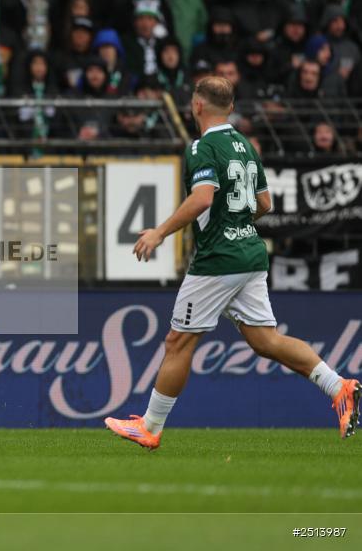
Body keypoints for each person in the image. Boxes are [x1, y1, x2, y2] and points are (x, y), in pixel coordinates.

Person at [104, 76, 361, 450]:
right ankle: (340, 386)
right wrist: (237, 223)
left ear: (197, 106)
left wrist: (160, 232)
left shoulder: (201, 148)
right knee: (265, 340)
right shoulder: (245, 145)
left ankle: (150, 426)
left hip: (218, 260)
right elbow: (264, 204)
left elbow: (203, 198)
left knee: (177, 342)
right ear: (230, 107)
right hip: (251, 254)